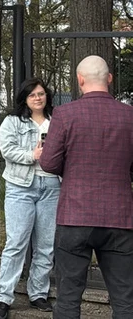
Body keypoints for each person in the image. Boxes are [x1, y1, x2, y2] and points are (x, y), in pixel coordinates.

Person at [40, 55, 133, 319]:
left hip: (75, 215)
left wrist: (71, 170)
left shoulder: (65, 114)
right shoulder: (130, 115)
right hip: (120, 217)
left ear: (80, 80)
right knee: (125, 299)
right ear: (110, 79)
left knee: (68, 297)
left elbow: (48, 162)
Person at [0, 80, 59, 318]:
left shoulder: (57, 121)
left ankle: (38, 293)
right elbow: (6, 149)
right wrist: (32, 155)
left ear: (47, 96)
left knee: (45, 244)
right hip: (21, 187)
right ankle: (4, 297)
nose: (38, 98)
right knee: (16, 242)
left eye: (41, 94)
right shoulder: (12, 122)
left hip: (52, 186)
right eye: (32, 95)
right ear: (25, 98)